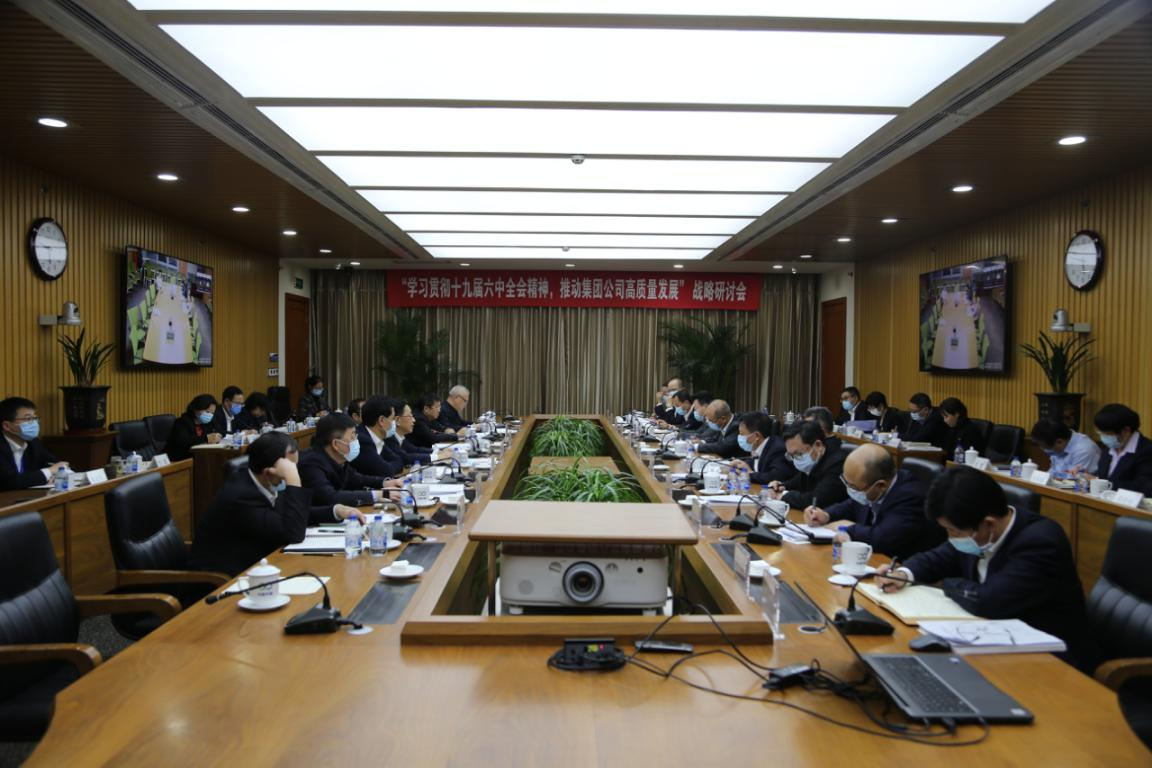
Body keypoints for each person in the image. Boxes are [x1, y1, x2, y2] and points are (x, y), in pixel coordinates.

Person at [877, 466, 1096, 670]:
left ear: (989, 524)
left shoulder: (1041, 542)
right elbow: (941, 556)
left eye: (953, 531)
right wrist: (903, 573)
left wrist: (946, 585)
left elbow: (989, 602)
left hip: (1048, 659)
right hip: (989, 640)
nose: (950, 537)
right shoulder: (976, 531)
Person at [188, 432, 363, 576]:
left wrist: (336, 511)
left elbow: (290, 514)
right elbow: (293, 533)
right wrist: (293, 481)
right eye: (289, 470)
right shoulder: (242, 496)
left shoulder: (261, 481)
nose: (294, 473)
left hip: (260, 566)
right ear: (268, 471)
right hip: (222, 581)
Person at [805, 444, 942, 560]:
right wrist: (826, 515)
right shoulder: (870, 486)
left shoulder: (911, 497)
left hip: (896, 565)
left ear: (880, 485)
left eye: (854, 487)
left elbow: (881, 538)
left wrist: (849, 528)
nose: (849, 489)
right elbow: (852, 505)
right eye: (846, 482)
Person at [297, 413, 391, 518]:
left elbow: (357, 479)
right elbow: (329, 497)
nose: (356, 441)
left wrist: (385, 483)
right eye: (352, 437)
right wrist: (376, 495)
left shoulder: (338, 459)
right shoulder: (311, 464)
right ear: (336, 444)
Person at [765, 421, 849, 509]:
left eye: (798, 454)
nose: (795, 460)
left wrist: (783, 496)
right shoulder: (814, 461)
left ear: (818, 445)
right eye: (791, 455)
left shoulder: (837, 464)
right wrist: (780, 486)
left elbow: (815, 500)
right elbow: (798, 481)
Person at [0, 397, 68, 490]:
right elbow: (9, 481)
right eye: (28, 418)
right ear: (7, 425)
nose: (34, 423)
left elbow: (53, 463)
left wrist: (56, 474)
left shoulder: (33, 442)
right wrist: (49, 471)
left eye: (35, 418)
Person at [1092, 404, 1152, 496]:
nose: (1103, 437)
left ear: (1126, 431)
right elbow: (1104, 476)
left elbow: (1144, 488)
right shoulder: (1110, 448)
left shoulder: (1147, 451)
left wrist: (1102, 484)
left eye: (1107, 434)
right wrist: (1089, 479)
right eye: (1101, 433)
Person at [350, 398, 406, 479]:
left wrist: (391, 466)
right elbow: (385, 471)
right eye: (393, 419)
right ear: (381, 420)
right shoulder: (362, 441)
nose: (394, 423)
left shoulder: (378, 438)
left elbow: (399, 460)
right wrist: (391, 467)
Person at [729, 412, 791, 485]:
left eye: (742, 434)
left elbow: (774, 477)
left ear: (757, 436)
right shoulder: (759, 447)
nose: (739, 437)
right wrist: (740, 464)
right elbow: (752, 465)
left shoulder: (778, 449)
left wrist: (750, 474)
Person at [1030, 418, 1101, 479]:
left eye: (1045, 447)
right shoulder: (1057, 443)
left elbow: (1075, 481)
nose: (1044, 449)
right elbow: (1054, 472)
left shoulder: (1084, 450)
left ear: (1059, 442)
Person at [164, 394, 223, 461]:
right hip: (180, 459)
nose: (209, 415)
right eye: (207, 411)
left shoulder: (207, 423)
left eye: (212, 413)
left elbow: (220, 431)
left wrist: (217, 436)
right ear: (196, 409)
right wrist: (206, 438)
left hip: (199, 456)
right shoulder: (182, 422)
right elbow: (183, 442)